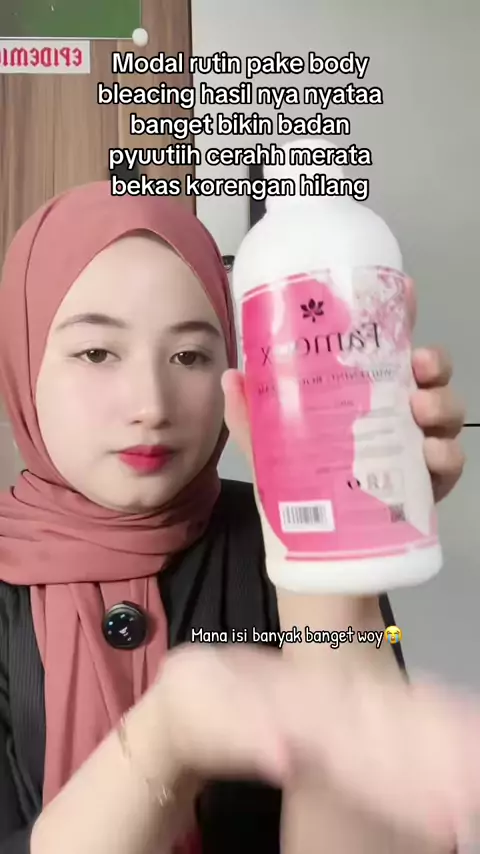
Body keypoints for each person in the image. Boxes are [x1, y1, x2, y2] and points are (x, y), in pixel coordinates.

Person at [0, 182, 473, 854]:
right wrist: (168, 738)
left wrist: (331, 560)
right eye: (97, 352)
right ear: (20, 361)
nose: (151, 404)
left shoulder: (280, 538)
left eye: (190, 356)